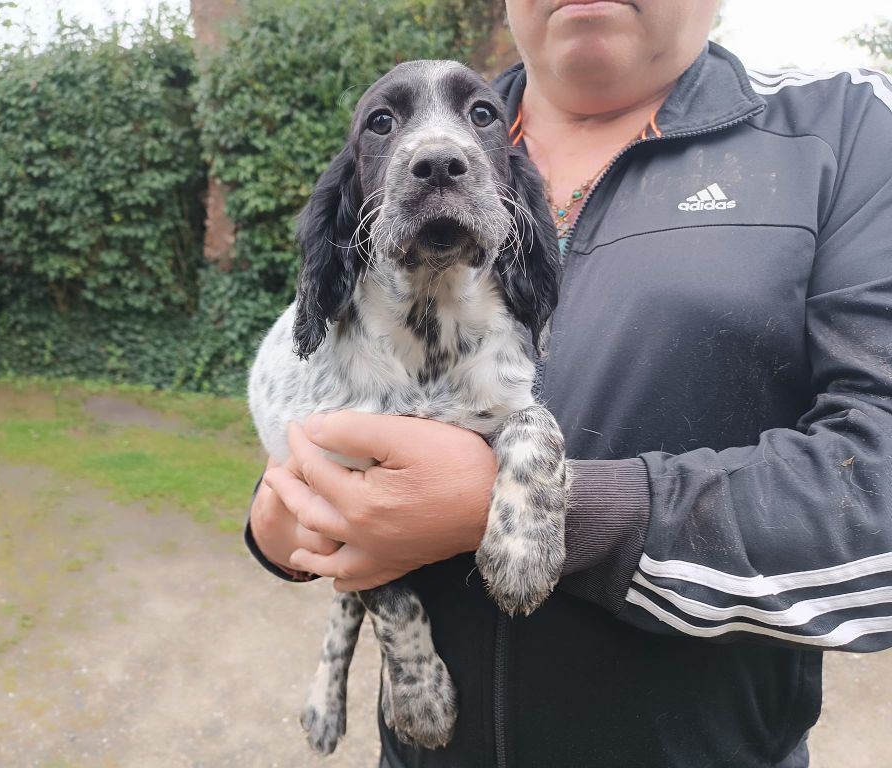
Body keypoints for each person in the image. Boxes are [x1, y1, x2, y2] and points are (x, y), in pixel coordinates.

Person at [246, 1, 892, 765]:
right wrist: (286, 531)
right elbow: (321, 431)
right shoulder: (439, 131)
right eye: (387, 127)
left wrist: (555, 510)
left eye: (474, 119)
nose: (438, 151)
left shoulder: (844, 127)